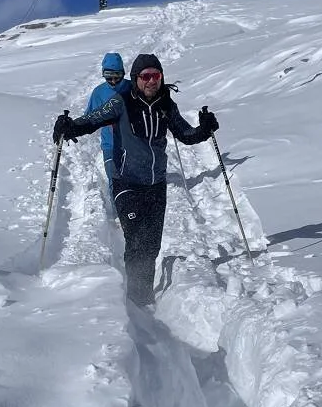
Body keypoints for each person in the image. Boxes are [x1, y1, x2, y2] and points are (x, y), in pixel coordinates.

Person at [53, 53, 219, 307]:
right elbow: (92, 119)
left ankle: (145, 299)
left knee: (151, 247)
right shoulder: (121, 102)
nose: (151, 81)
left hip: (156, 184)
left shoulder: (166, 105)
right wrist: (70, 126)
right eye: (146, 76)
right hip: (126, 182)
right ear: (136, 79)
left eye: (156, 76)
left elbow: (185, 134)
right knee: (137, 242)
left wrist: (204, 129)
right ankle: (135, 300)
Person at [87, 53, 126, 182]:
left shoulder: (132, 88)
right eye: (109, 76)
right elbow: (88, 118)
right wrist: (70, 127)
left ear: (123, 73)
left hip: (133, 145)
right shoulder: (98, 93)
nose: (113, 81)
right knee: (115, 183)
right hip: (110, 145)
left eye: (117, 76)